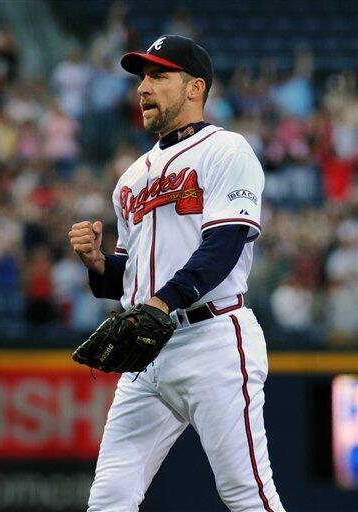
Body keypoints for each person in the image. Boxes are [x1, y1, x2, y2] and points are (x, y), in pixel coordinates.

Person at [68, 35, 285, 512]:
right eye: (142, 78)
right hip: (148, 352)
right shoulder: (131, 178)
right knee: (108, 501)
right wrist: (99, 264)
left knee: (247, 495)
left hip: (214, 339)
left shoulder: (226, 150)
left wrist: (161, 303)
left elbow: (223, 243)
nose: (143, 87)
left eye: (158, 76)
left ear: (194, 88)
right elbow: (129, 278)